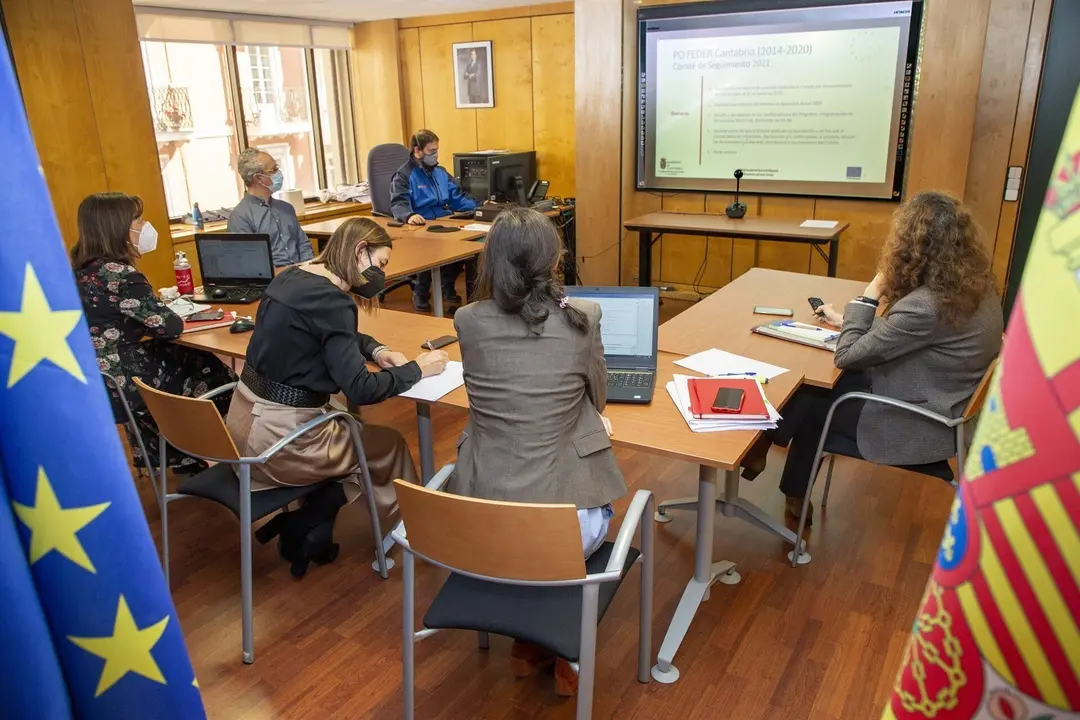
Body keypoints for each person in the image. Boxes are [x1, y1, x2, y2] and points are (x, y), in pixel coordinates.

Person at [741, 191, 1003, 524]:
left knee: (812, 394)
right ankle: (782, 475)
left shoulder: (926, 305)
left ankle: (765, 446)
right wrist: (844, 320)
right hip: (943, 403)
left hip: (915, 423)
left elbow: (847, 355)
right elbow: (916, 334)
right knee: (822, 388)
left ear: (912, 246)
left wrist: (869, 297)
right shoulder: (975, 289)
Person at [450, 206, 627, 696]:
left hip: (480, 520)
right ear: (552, 262)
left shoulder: (467, 320)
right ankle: (559, 648)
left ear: (491, 262)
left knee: (528, 535)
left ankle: (529, 646)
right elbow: (599, 396)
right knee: (571, 515)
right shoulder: (583, 317)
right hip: (563, 531)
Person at [226, 217, 448, 577]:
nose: (381, 275)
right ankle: (408, 534)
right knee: (386, 445)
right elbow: (360, 387)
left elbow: (330, 335)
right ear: (360, 251)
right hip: (281, 443)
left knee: (348, 426)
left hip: (241, 422)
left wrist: (376, 350)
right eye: (380, 264)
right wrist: (417, 369)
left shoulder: (291, 279)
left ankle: (307, 525)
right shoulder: (333, 302)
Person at [72, 192, 235, 474]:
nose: (144, 225)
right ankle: (209, 447)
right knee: (207, 366)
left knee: (181, 356)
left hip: (97, 375)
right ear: (119, 228)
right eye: (139, 220)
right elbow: (169, 326)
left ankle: (179, 456)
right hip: (128, 378)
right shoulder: (122, 275)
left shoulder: (80, 270)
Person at [389, 129, 479, 311]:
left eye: (437, 150)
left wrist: (479, 207)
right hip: (421, 225)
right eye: (431, 151)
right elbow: (398, 202)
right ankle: (421, 293)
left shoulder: (441, 172)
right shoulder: (404, 175)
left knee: (463, 247)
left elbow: (457, 197)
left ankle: (448, 287)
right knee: (428, 252)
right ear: (417, 151)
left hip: (445, 221)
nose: (435, 155)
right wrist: (409, 215)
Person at [227, 147, 314, 267]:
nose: (279, 173)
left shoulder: (286, 208)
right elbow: (251, 264)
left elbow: (303, 244)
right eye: (274, 170)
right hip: (274, 282)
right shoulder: (240, 217)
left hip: (302, 274)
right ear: (258, 178)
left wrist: (310, 269)